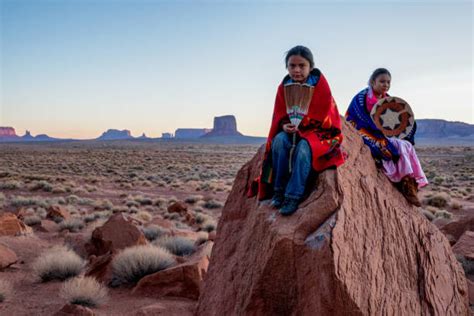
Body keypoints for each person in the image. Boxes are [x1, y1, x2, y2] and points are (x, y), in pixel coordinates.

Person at [248, 45, 345, 215]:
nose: (297, 70)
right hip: (292, 131)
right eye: (292, 66)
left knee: (303, 149)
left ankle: (293, 195)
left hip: (318, 132)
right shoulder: (284, 87)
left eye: (302, 66)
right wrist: (285, 125)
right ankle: (279, 190)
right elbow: (279, 116)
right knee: (279, 142)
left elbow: (327, 118)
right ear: (287, 67)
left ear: (311, 67)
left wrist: (305, 124)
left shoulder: (320, 87)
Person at [346, 68, 428, 206]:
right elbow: (356, 117)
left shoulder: (387, 100)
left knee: (406, 145)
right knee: (391, 148)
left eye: (388, 82)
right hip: (362, 130)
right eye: (382, 81)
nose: (386, 85)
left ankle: (408, 183)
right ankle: (403, 181)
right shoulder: (362, 98)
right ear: (373, 82)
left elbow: (395, 122)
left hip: (381, 133)